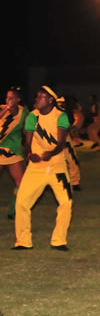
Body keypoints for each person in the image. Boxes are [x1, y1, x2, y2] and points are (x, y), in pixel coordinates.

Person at [13, 86, 72, 250]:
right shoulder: (32, 116)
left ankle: (59, 240)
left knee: (66, 203)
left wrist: (50, 154)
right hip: (36, 168)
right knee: (22, 202)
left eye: (41, 97)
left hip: (57, 166)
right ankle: (23, 241)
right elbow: (27, 142)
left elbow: (61, 143)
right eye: (37, 96)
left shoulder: (61, 117)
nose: (37, 99)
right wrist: (30, 154)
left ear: (51, 100)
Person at [0, 87, 29, 219]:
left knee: (21, 183)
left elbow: (26, 129)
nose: (9, 100)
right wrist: (6, 108)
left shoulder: (24, 112)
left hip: (13, 150)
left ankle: (14, 211)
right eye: (7, 97)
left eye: (12, 98)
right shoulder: (2, 109)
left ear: (18, 100)